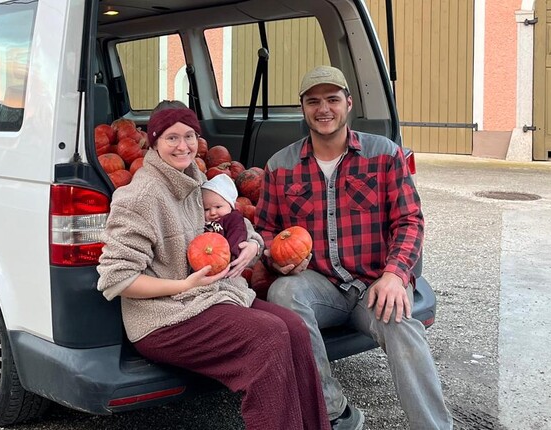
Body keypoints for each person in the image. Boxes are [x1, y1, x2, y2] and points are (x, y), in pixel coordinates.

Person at [97, 102, 330, 430]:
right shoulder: (140, 197)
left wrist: (253, 245)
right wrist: (185, 285)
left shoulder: (194, 182)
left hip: (209, 298)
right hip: (164, 317)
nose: (183, 146)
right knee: (269, 336)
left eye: (189, 136)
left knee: (293, 327)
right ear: (153, 142)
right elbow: (116, 279)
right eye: (172, 138)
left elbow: (226, 224)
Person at [255, 66, 453, 430]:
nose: (323, 109)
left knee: (402, 326)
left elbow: (409, 221)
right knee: (284, 291)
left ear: (348, 103)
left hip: (375, 284)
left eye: (332, 99)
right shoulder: (279, 166)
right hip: (321, 287)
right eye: (313, 101)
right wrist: (275, 255)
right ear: (303, 109)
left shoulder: (384, 154)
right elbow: (266, 228)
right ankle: (335, 411)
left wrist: (396, 275)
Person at [201, 174, 247, 259]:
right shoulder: (202, 223)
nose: (212, 212)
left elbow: (236, 236)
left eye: (218, 207)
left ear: (230, 205)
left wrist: (231, 256)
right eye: (206, 209)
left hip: (226, 260)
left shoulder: (233, 219)